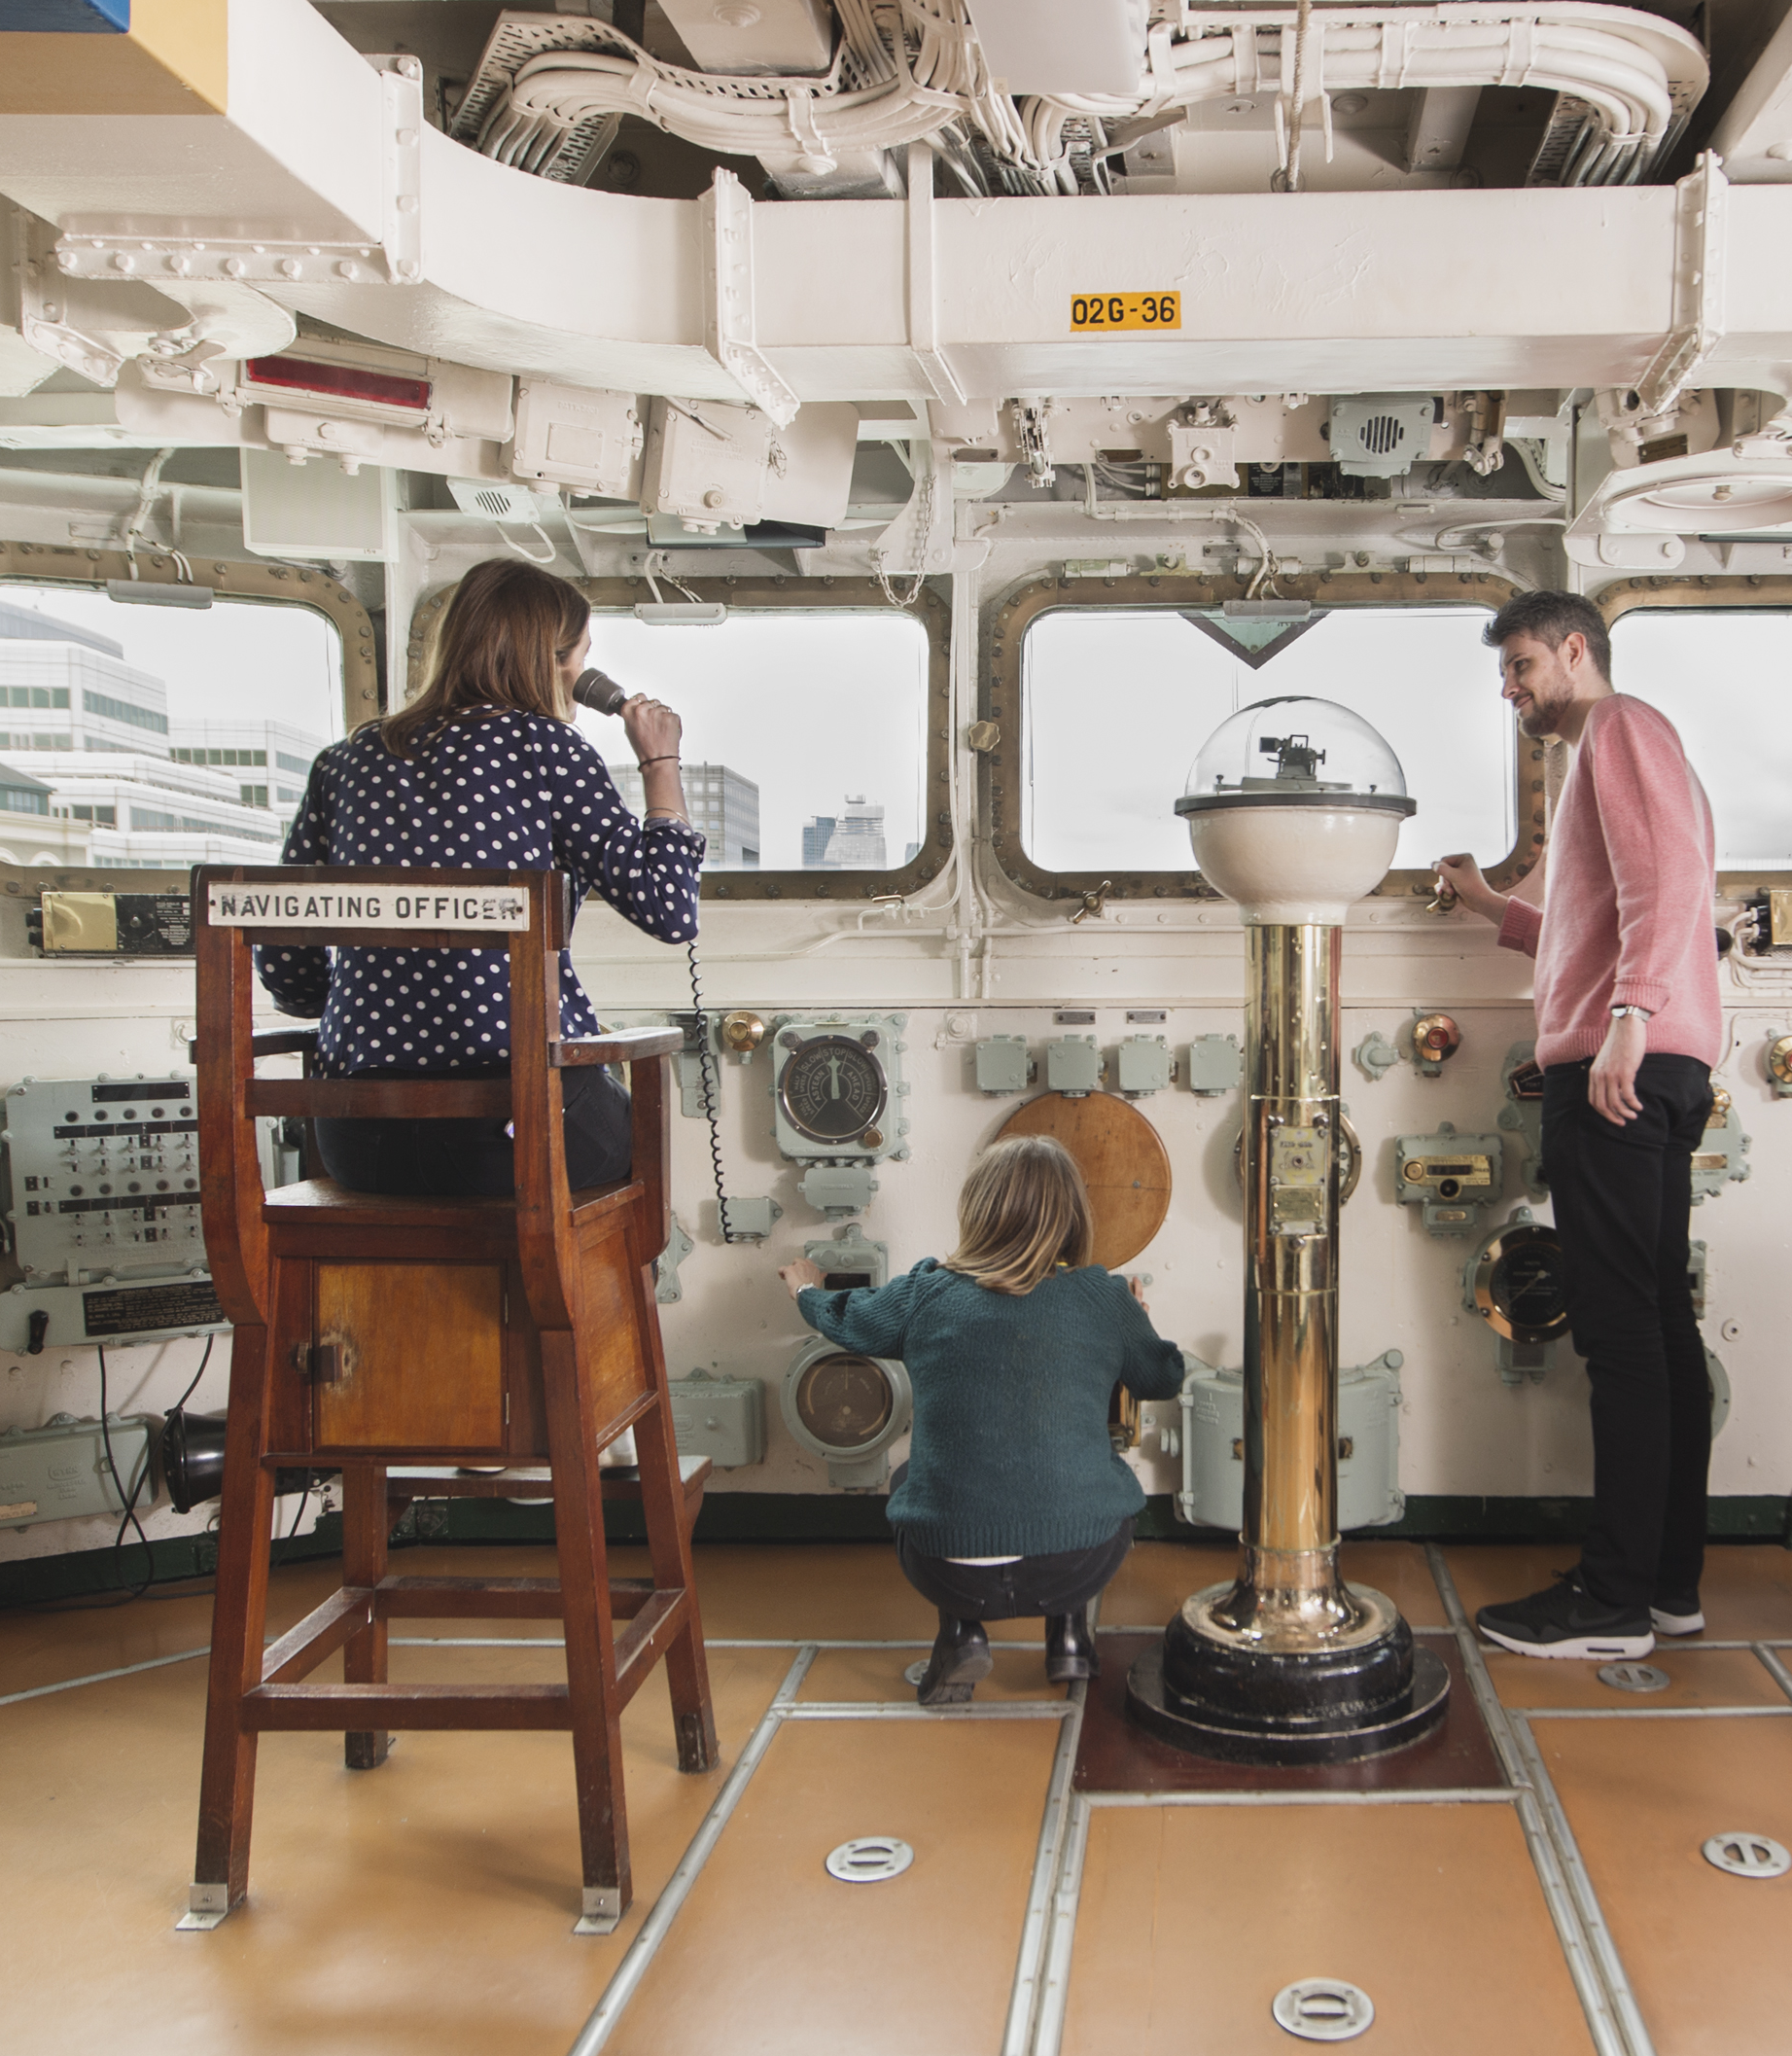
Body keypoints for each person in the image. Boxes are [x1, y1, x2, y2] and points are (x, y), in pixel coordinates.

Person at [1435, 589, 1723, 1660]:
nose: (1509, 688)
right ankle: (1666, 1584)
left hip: (1622, 1068)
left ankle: (1610, 1601)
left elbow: (1668, 882)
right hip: (1655, 1061)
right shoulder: (1602, 754)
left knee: (1620, 1334)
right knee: (1658, 1325)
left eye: (1519, 665)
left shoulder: (1619, 727)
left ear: (1572, 651)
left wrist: (1626, 1021)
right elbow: (1584, 929)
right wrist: (1486, 904)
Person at [258, 557, 701, 1196]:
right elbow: (669, 910)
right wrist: (660, 763)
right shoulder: (546, 749)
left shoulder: (346, 761)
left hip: (361, 1141)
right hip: (514, 1133)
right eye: (581, 656)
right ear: (553, 663)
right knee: (637, 1146)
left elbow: (287, 959)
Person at [784, 1135, 1189, 1704]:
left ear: (976, 1208)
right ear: (1073, 1213)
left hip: (950, 1568)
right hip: (1079, 1561)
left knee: (909, 1479)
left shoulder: (926, 1293)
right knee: (1093, 1472)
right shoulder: (1103, 1297)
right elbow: (1164, 1377)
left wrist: (806, 1288)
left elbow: (847, 1320)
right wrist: (1137, 1320)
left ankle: (961, 1635)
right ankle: (1070, 1640)